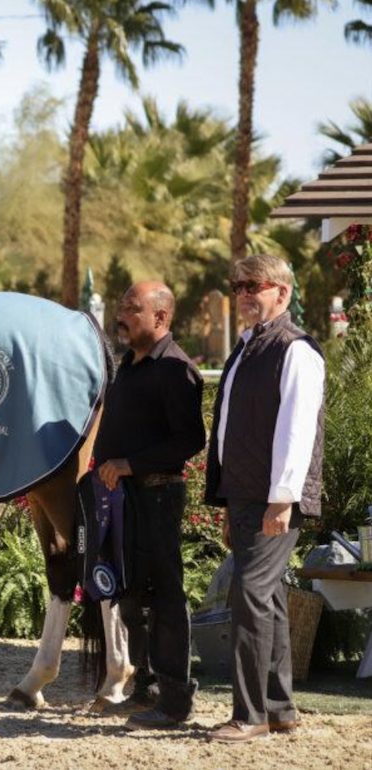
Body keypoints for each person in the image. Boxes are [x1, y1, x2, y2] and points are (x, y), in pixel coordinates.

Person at [204, 254, 325, 743]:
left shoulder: (296, 349)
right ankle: (279, 709)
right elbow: (232, 428)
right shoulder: (246, 348)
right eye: (237, 286)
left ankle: (248, 715)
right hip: (246, 493)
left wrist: (281, 499)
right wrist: (231, 500)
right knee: (268, 598)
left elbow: (298, 430)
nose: (243, 294)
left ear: (283, 292)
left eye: (254, 284)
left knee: (249, 596)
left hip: (276, 496)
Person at [92, 281, 206, 729]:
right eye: (121, 307)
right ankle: (147, 690)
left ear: (161, 318)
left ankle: (175, 700)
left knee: (164, 596)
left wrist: (128, 464)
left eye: (132, 309)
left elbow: (190, 439)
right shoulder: (130, 365)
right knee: (130, 594)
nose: (122, 315)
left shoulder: (176, 369)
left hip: (157, 494)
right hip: (126, 497)